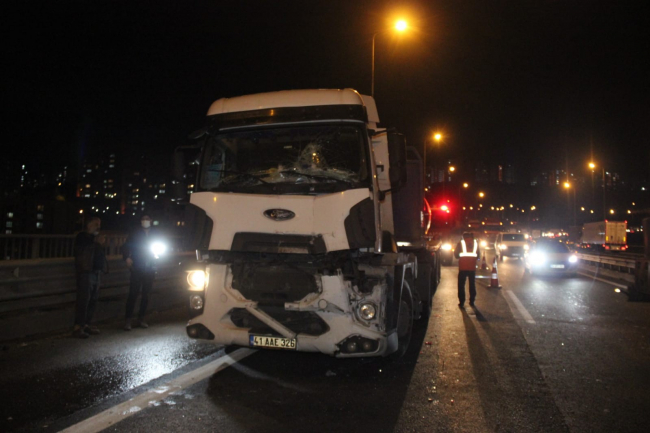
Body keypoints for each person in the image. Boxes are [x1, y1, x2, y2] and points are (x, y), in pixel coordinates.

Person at [73, 217, 108, 338]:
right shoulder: (82, 237)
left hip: (96, 272)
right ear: (88, 225)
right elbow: (84, 252)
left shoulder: (95, 239)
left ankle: (87, 324)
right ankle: (78, 327)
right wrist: (97, 243)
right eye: (95, 224)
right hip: (86, 272)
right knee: (84, 300)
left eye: (99, 224)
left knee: (93, 299)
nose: (98, 226)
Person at [122, 214, 158, 330]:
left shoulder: (155, 234)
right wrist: (127, 257)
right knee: (133, 294)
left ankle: (141, 319)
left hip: (150, 267)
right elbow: (126, 246)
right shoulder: (135, 233)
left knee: (146, 295)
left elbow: (161, 248)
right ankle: (128, 320)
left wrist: (157, 259)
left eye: (147, 219)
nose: (145, 221)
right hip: (137, 266)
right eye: (143, 219)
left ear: (151, 221)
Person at [454, 232, 481, 308]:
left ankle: (462, 302)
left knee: (461, 285)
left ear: (463, 236)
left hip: (463, 268)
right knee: (472, 284)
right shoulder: (475, 243)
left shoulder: (461, 243)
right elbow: (478, 255)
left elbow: (456, 255)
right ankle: (472, 301)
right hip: (472, 268)